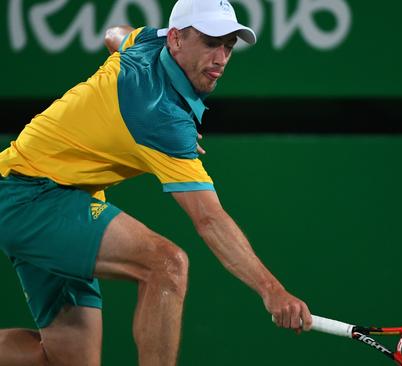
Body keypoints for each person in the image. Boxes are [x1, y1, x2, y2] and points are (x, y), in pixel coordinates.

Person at [0, 0, 312, 365]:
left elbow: (114, 33)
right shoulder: (160, 116)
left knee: (64, 358)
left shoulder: (149, 43)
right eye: (211, 42)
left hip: (50, 193)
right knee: (166, 264)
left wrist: (125, 49)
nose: (222, 57)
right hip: (28, 196)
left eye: (229, 44)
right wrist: (272, 291)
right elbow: (209, 219)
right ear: (177, 40)